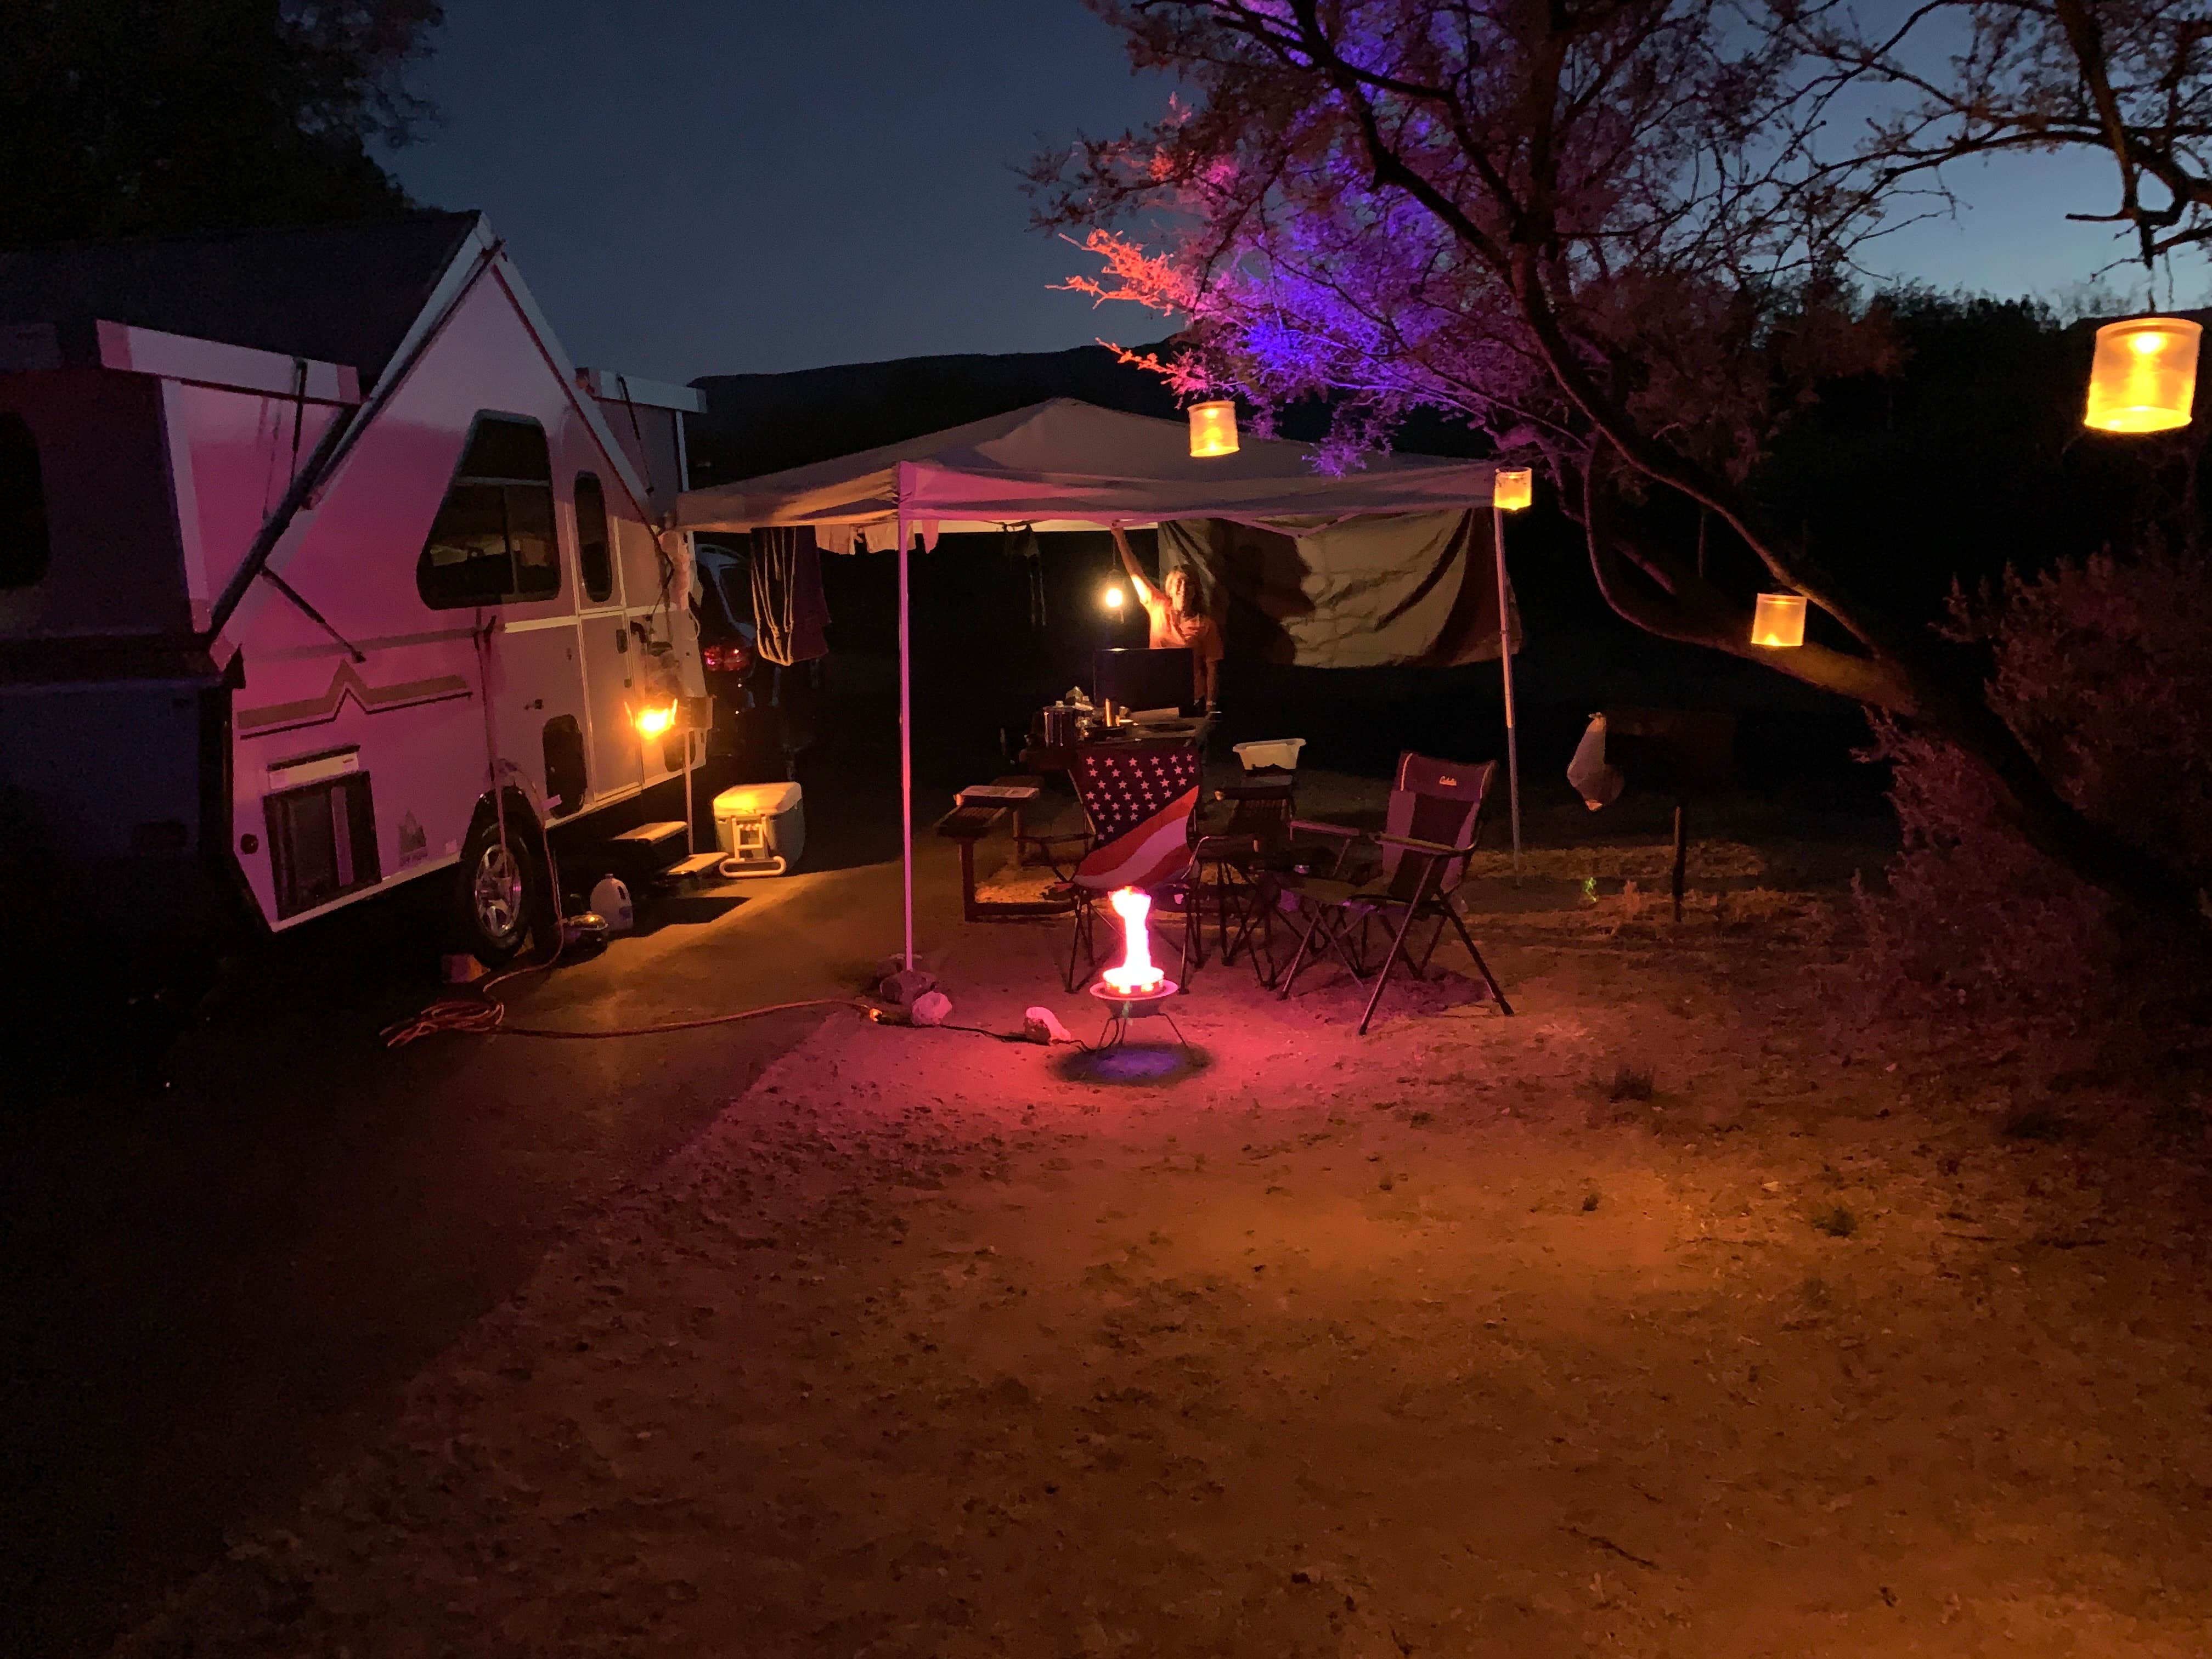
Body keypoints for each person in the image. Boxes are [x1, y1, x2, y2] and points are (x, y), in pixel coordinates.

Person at [1110, 526, 1222, 708]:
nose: (1183, 590)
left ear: (1196, 590)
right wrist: (1120, 537)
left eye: (1189, 585)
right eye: (1179, 584)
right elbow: (1136, 574)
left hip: (1192, 699)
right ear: (1169, 589)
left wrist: (1211, 703)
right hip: (1158, 695)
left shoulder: (1206, 625)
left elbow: (1212, 668)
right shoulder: (1157, 607)